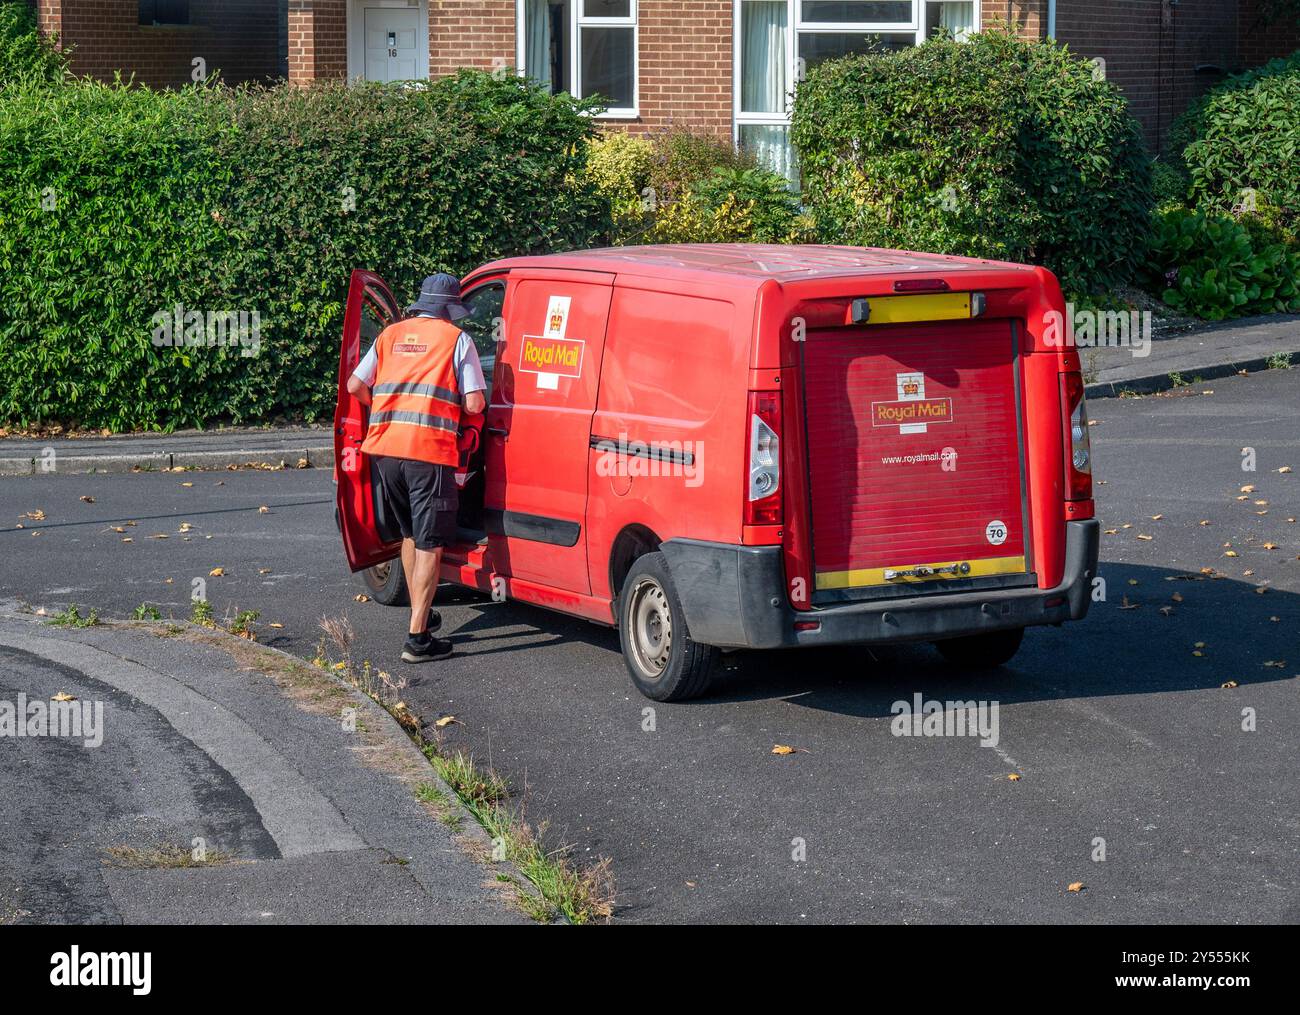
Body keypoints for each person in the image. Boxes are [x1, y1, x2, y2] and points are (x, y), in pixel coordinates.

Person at [346, 273, 487, 663]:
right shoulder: (457, 341)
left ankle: (419, 617)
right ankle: (417, 641)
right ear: (450, 310)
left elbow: (355, 386)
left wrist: (387, 410)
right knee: (431, 543)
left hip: (386, 450)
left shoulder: (390, 335)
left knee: (409, 534)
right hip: (429, 453)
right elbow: (475, 403)